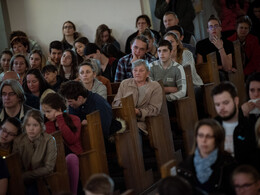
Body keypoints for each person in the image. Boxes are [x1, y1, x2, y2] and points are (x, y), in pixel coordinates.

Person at [177, 118, 236, 194]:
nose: (204, 140)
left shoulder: (229, 164)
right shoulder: (184, 167)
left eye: (208, 136)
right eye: (201, 136)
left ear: (217, 139)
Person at [41, 93, 82, 195]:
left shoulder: (74, 119)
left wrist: (60, 119)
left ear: (59, 109)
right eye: (45, 112)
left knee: (71, 158)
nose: (46, 115)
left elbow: (71, 140)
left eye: (48, 111)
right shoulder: (47, 125)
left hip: (73, 155)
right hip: (55, 157)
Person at [112, 59, 162, 135]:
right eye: (135, 70)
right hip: (124, 118)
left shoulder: (154, 86)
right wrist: (126, 108)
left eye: (141, 71)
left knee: (131, 131)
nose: (137, 73)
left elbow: (154, 109)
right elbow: (115, 103)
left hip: (143, 122)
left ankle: (136, 147)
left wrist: (139, 112)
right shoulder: (125, 83)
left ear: (148, 73)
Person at [12, 109, 57, 194]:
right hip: (22, 181)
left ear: (41, 126)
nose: (31, 128)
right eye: (28, 125)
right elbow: (17, 165)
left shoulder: (49, 140)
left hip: (43, 179)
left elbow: (49, 168)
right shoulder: (18, 140)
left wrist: (26, 175)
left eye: (35, 125)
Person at [211, 81, 256, 164]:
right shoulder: (211, 126)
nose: (221, 108)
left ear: (236, 101)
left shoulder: (250, 125)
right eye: (217, 104)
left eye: (225, 103)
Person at [196, 15, 235, 81]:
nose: (213, 28)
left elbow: (228, 68)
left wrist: (221, 48)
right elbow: (200, 68)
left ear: (220, 28)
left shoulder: (228, 43)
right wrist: (219, 67)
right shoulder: (201, 44)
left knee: (220, 75)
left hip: (224, 75)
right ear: (207, 30)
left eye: (216, 26)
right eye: (211, 27)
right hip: (207, 74)